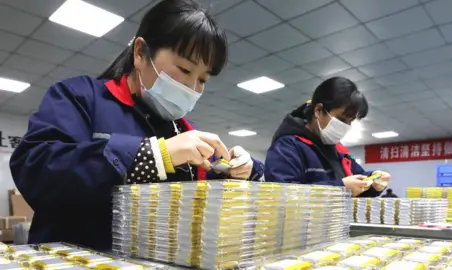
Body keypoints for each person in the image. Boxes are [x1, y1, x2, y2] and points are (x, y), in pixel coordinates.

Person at [9, 0, 264, 250]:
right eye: (185, 70)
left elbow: (196, 199)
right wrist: (151, 156)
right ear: (141, 53)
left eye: (203, 79)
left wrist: (233, 171)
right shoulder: (79, 98)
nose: (193, 89)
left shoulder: (183, 130)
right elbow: (36, 170)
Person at [264, 77, 390, 197]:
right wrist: (340, 189)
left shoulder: (338, 151)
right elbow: (282, 195)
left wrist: (373, 182)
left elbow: (358, 179)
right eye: (341, 119)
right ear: (318, 110)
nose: (345, 126)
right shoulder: (287, 148)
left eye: (350, 121)